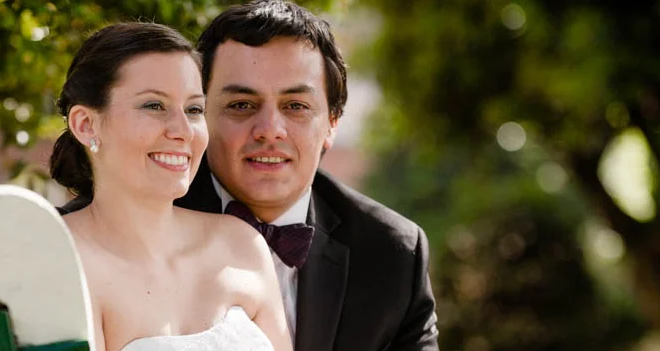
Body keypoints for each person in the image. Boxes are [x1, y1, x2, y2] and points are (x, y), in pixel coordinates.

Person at [62, 1, 440, 349]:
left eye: (296, 106)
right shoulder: (93, 235)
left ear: (332, 123)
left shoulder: (392, 253)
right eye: (241, 105)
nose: (270, 130)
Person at [50, 22, 292, 351]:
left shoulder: (242, 244)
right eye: (154, 106)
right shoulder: (63, 261)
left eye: (194, 110)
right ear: (86, 124)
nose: (183, 130)